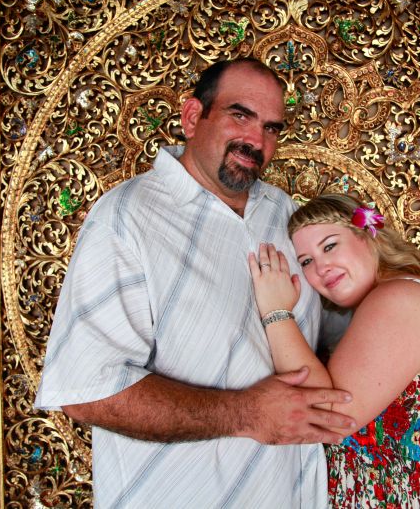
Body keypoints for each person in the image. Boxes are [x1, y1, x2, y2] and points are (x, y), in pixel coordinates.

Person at [35, 58, 357, 508]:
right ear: (192, 117)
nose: (256, 140)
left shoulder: (282, 211)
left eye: (271, 128)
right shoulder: (126, 218)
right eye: (240, 115)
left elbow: (331, 335)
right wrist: (246, 413)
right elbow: (88, 392)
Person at [248, 193, 420, 508]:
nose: (322, 267)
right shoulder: (388, 302)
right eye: (306, 261)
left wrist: (276, 312)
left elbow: (329, 418)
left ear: (369, 236)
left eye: (329, 246)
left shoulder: (399, 299)